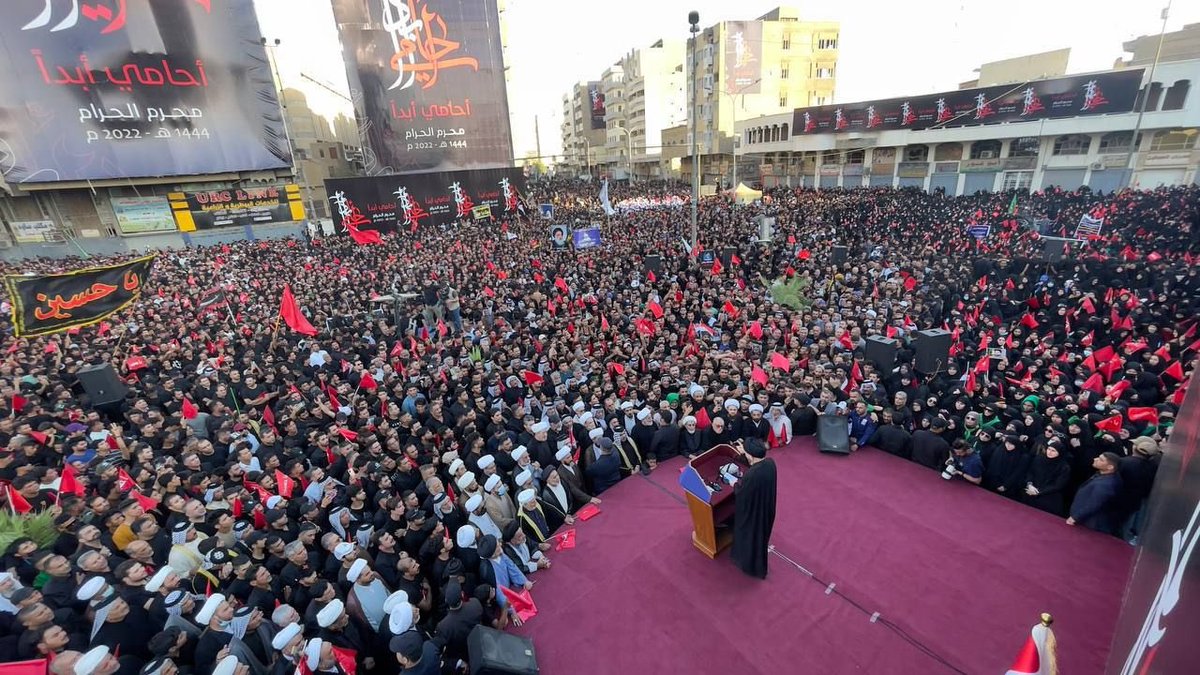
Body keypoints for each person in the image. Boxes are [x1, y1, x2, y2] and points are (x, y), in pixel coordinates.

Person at [729, 438, 777, 579]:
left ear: (751, 454)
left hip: (753, 515)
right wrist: (745, 451)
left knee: (750, 539)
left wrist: (734, 483)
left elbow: (741, 494)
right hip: (766, 509)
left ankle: (750, 566)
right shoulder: (770, 463)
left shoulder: (752, 474)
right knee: (760, 540)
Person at [1068, 452, 1124, 534]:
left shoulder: (1106, 484)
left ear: (1110, 467)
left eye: (1101, 460)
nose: (1095, 459)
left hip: (1090, 524)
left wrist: (1075, 517)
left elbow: (1094, 504)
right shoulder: (1103, 475)